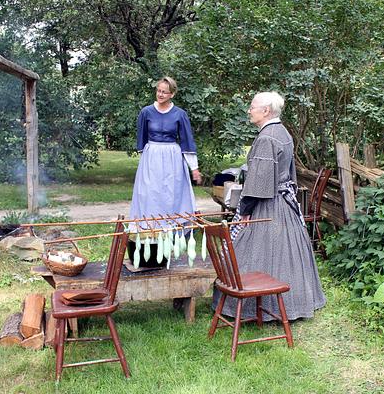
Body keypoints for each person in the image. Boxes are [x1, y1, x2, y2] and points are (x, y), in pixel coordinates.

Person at [213, 91, 326, 321]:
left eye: (252, 106)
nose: (249, 110)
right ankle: (295, 302)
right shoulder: (282, 132)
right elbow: (289, 174)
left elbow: (258, 183)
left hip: (268, 205)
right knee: (286, 254)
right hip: (284, 203)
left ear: (266, 111)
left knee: (255, 252)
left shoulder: (266, 138)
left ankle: (258, 308)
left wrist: (244, 210)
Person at [129, 77, 202, 225]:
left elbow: (186, 140)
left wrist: (194, 168)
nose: (160, 94)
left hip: (172, 156)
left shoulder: (180, 114)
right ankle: (148, 225)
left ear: (172, 94)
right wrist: (145, 160)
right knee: (150, 192)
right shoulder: (146, 112)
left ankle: (171, 225)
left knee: (171, 192)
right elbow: (141, 138)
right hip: (152, 156)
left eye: (165, 92)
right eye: (159, 91)